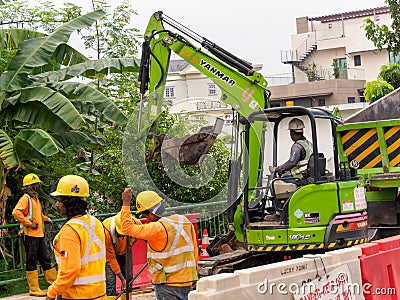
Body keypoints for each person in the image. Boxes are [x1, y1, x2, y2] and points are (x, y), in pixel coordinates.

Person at [120, 189, 198, 300]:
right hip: (187, 282)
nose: (147, 219)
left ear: (151, 214)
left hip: (167, 285)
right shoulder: (184, 220)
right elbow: (193, 249)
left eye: (145, 216)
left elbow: (126, 228)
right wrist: (195, 275)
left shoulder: (156, 228)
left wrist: (126, 203)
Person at [45, 175, 107, 300]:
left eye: (59, 200)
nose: (57, 204)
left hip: (77, 295)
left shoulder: (70, 230)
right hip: (99, 293)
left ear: (69, 202)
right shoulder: (95, 222)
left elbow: (70, 270)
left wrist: (52, 292)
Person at [12, 173, 57, 297]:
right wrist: (29, 223)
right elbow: (16, 212)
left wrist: (45, 218)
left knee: (45, 259)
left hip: (39, 235)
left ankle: (54, 284)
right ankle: (34, 288)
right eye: (35, 184)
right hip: (30, 235)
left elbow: (36, 214)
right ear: (28, 187)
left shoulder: (35, 199)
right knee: (31, 260)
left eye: (37, 184)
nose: (37, 186)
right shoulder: (25, 198)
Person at [102, 212, 139, 299]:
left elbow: (145, 236)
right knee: (110, 282)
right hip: (111, 255)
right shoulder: (106, 232)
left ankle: (127, 298)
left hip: (125, 251)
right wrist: (122, 279)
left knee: (129, 278)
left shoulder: (135, 223)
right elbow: (111, 259)